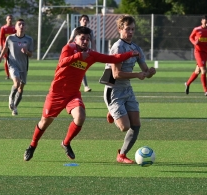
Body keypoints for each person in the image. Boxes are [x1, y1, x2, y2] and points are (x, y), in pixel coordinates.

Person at [23, 26, 140, 161]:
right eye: (82, 38)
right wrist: (78, 56)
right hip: (56, 94)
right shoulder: (68, 48)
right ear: (75, 39)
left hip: (73, 94)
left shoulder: (91, 54)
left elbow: (112, 58)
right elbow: (61, 63)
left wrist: (130, 54)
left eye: (88, 39)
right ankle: (32, 146)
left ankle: (66, 143)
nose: (85, 41)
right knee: (45, 122)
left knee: (80, 117)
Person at [100, 15, 156, 164]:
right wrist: (138, 75)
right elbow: (116, 74)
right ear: (120, 29)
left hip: (127, 90)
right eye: (127, 29)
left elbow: (144, 70)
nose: (130, 32)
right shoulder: (118, 47)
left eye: (132, 29)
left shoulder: (136, 48)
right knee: (125, 127)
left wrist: (150, 72)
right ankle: (113, 111)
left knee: (136, 124)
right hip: (114, 90)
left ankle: (122, 154)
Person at [0, 19, 34, 116]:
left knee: (21, 88)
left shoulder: (29, 39)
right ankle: (11, 97)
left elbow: (31, 54)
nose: (21, 26)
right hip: (13, 64)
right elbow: (5, 49)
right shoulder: (10, 38)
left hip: (24, 66)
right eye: (19, 24)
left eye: (23, 24)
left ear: (25, 27)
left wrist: (26, 52)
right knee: (16, 83)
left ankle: (15, 107)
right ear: (16, 27)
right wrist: (0, 57)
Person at [185, 15, 207, 96]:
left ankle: (187, 83)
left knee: (197, 71)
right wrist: (194, 42)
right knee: (204, 70)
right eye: (205, 23)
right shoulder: (197, 29)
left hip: (206, 52)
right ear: (202, 21)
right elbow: (191, 37)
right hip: (198, 52)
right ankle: (206, 91)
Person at [68, 15, 96, 92]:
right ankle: (85, 86)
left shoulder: (90, 31)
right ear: (80, 21)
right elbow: (71, 39)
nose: (85, 21)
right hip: (76, 51)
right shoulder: (76, 30)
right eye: (83, 19)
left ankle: (85, 86)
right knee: (78, 68)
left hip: (85, 51)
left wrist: (95, 52)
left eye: (86, 20)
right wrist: (66, 49)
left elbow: (93, 41)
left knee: (81, 67)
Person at [0, 14, 16, 80]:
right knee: (6, 60)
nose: (10, 20)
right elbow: (1, 38)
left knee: (14, 60)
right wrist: (0, 46)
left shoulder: (14, 28)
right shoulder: (3, 28)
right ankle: (8, 75)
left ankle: (14, 74)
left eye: (11, 18)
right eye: (9, 18)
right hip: (5, 47)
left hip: (13, 47)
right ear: (6, 19)